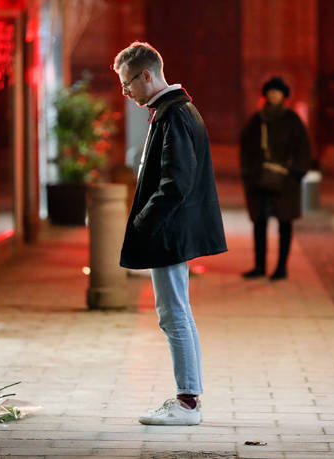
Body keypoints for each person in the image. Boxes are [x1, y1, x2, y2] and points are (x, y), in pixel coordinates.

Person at [112, 42, 227, 426]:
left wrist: (144, 222)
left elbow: (176, 182)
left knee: (173, 314)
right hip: (174, 230)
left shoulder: (173, 115)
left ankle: (187, 403)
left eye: (128, 83)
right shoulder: (176, 110)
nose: (125, 92)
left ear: (147, 75)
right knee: (177, 313)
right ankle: (188, 398)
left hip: (168, 232)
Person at [240, 76, 311, 281]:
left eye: (277, 92)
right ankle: (259, 265)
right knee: (259, 223)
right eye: (271, 92)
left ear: (283, 96)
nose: (274, 95)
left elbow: (303, 149)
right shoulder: (257, 120)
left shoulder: (292, 120)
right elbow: (246, 149)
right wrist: (249, 173)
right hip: (259, 179)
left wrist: (296, 172)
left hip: (285, 181)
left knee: (284, 223)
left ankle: (281, 267)